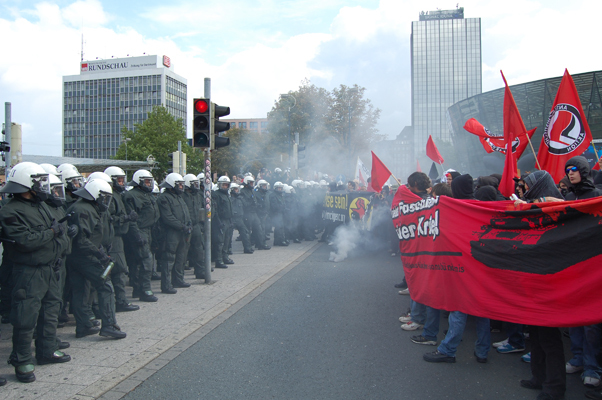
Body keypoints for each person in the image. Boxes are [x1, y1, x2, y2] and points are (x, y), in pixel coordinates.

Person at [0, 162, 71, 383]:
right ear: (26, 184)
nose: (43, 186)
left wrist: (56, 236)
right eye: (38, 181)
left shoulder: (41, 205)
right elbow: (25, 241)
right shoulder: (10, 210)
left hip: (51, 267)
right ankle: (21, 360)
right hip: (29, 271)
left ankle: (46, 350)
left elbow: (57, 233)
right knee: (25, 316)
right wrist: (51, 232)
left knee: (51, 309)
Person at [423, 174, 491, 364]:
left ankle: (448, 349)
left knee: (459, 308)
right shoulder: (483, 207)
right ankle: (483, 351)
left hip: (463, 267)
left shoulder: (456, 208)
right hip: (482, 267)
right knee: (482, 311)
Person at [514, 170, 566, 400]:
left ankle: (555, 388)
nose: (523, 190)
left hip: (551, 283)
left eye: (527, 186)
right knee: (535, 334)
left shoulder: (562, 208)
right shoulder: (530, 207)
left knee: (549, 338)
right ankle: (538, 376)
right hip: (532, 280)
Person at [67, 178, 126, 339]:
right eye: (104, 198)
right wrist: (98, 253)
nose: (106, 202)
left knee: (81, 290)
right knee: (105, 286)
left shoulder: (85, 207)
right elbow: (83, 240)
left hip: (79, 256)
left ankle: (83, 325)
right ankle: (109, 325)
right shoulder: (84, 209)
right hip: (86, 257)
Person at [104, 167, 140, 312]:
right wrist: (125, 218)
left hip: (119, 236)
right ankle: (120, 301)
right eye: (118, 180)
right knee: (119, 270)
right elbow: (109, 218)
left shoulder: (118, 195)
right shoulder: (111, 196)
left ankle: (119, 300)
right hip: (114, 237)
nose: (121, 183)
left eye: (122, 179)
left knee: (119, 270)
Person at [123, 170, 159, 302]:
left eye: (150, 181)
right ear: (139, 181)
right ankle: (145, 290)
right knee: (146, 262)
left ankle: (138, 290)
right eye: (147, 181)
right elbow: (132, 219)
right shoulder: (131, 196)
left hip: (149, 230)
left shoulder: (147, 195)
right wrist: (137, 234)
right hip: (140, 230)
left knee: (140, 262)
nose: (149, 184)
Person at [156, 173, 192, 293]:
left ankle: (178, 280)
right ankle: (166, 285)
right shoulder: (164, 198)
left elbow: (186, 213)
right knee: (169, 258)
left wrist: (188, 225)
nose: (182, 187)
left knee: (181, 257)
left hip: (182, 232)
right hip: (171, 233)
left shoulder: (178, 197)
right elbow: (168, 217)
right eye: (179, 185)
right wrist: (182, 226)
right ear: (172, 185)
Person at [183, 174, 206, 279]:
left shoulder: (197, 196)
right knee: (183, 250)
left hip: (196, 225)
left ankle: (200, 271)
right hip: (186, 226)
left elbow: (201, 209)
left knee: (199, 249)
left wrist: (201, 222)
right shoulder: (182, 196)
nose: (196, 186)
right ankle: (179, 274)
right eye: (194, 184)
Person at [212, 176, 235, 268]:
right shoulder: (216, 195)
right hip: (221, 220)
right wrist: (218, 222)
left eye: (227, 185)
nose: (225, 186)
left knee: (227, 240)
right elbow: (215, 210)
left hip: (228, 220)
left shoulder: (227, 195)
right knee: (219, 242)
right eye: (224, 185)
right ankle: (218, 260)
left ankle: (225, 257)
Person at [230, 182, 254, 254]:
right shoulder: (229, 199)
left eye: (237, 189)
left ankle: (247, 248)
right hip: (232, 219)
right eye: (235, 189)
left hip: (240, 219)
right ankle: (228, 250)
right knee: (228, 235)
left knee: (245, 233)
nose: (237, 191)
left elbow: (246, 206)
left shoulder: (240, 198)